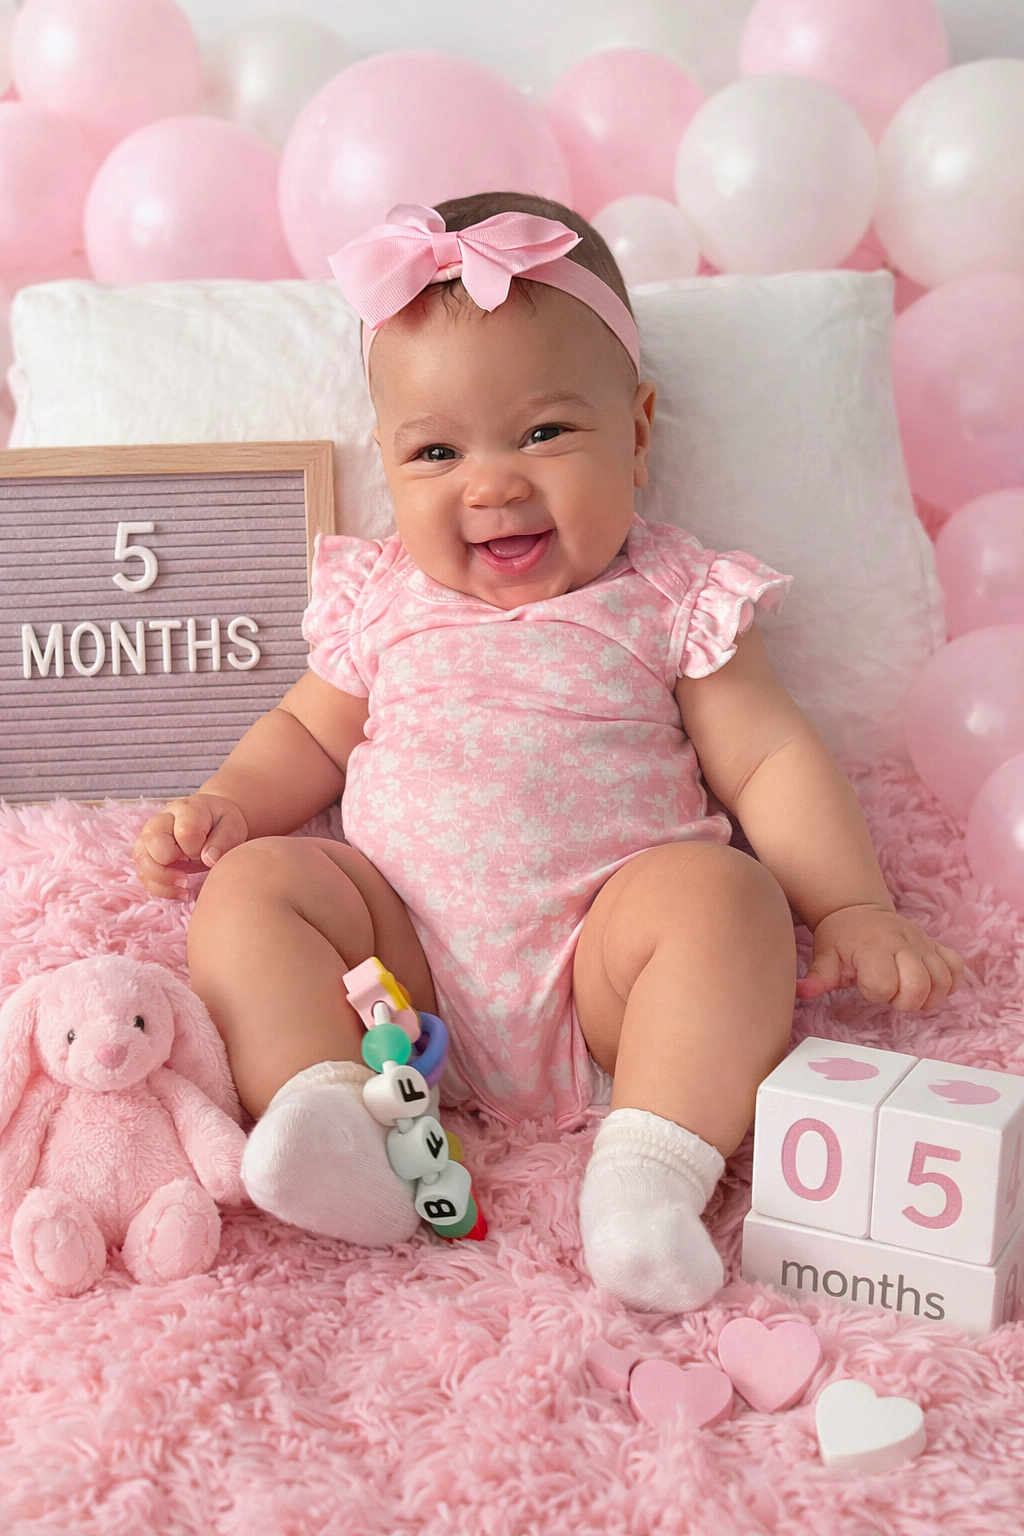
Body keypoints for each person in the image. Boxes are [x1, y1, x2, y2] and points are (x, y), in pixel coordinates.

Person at [133, 191, 965, 1312]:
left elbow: (767, 760)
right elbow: (304, 733)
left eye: (543, 432)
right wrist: (230, 801)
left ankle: (647, 1176)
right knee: (255, 888)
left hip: (607, 975)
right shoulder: (380, 601)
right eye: (437, 451)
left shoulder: (670, 594)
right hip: (400, 972)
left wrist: (853, 904)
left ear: (634, 429)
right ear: (389, 465)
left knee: (723, 900)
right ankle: (336, 1115)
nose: (493, 483)